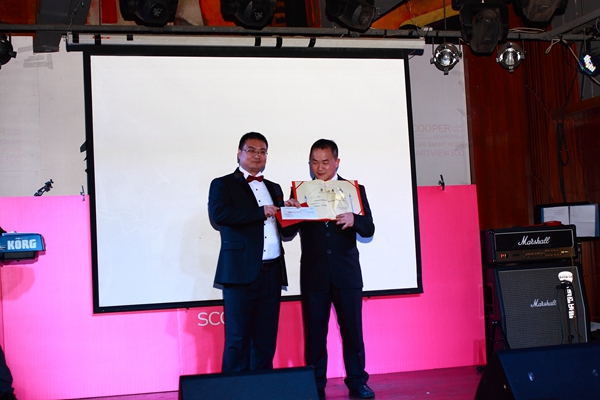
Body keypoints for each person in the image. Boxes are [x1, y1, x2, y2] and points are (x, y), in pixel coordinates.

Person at [283, 139, 375, 399]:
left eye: (325, 162)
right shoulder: (300, 192)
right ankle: (315, 384)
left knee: (353, 333)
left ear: (337, 162)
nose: (320, 167)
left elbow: (369, 228)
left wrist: (355, 219)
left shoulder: (354, 189)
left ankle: (358, 382)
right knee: (315, 336)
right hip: (314, 275)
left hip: (347, 274)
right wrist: (290, 212)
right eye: (314, 162)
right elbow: (286, 233)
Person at [208, 131, 295, 373]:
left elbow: (286, 232)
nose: (258, 155)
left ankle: (262, 388)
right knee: (237, 339)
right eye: (252, 150)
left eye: (262, 151)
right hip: (240, 272)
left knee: (266, 339)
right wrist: (260, 212)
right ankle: (235, 389)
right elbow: (219, 215)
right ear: (239, 153)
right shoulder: (222, 184)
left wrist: (292, 212)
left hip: (272, 272)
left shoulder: (274, 187)